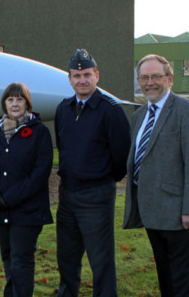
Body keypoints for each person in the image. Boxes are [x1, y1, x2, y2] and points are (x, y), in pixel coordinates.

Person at [54, 49, 131, 297]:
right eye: (76, 76)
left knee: (101, 261)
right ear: (69, 79)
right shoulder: (63, 109)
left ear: (97, 75)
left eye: (87, 74)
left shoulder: (111, 110)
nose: (82, 80)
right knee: (66, 258)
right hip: (67, 196)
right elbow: (63, 147)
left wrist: (102, 179)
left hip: (96, 195)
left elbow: (121, 156)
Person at [123, 54, 189, 296]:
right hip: (151, 212)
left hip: (179, 214)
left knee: (184, 278)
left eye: (156, 76)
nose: (150, 82)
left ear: (170, 78)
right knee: (164, 274)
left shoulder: (187, 111)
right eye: (144, 77)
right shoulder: (139, 115)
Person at [0, 82, 53, 297]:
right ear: (4, 104)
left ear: (27, 103)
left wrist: (11, 198)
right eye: (10, 99)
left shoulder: (39, 133)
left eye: (19, 99)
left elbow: (39, 173)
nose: (15, 103)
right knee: (8, 258)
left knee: (21, 260)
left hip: (27, 211)